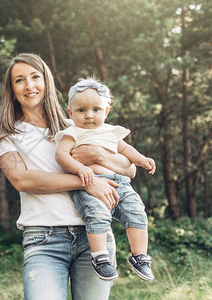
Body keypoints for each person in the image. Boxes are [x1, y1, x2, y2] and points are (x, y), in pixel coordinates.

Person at [0, 53, 136, 300]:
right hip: (44, 240)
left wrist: (98, 153)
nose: (29, 85)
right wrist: (88, 182)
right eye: (20, 80)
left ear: (47, 81)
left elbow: (129, 169)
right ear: (12, 90)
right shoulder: (5, 134)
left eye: (35, 77)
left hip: (93, 237)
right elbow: (23, 180)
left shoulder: (76, 125)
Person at [55, 78, 156, 282]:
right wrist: (80, 168)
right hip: (90, 184)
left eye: (96, 109)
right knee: (97, 214)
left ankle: (139, 256)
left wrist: (142, 159)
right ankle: (100, 256)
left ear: (106, 111)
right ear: (70, 113)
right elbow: (62, 156)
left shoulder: (111, 132)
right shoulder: (73, 132)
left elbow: (126, 150)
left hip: (121, 183)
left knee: (136, 210)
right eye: (81, 110)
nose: (89, 115)